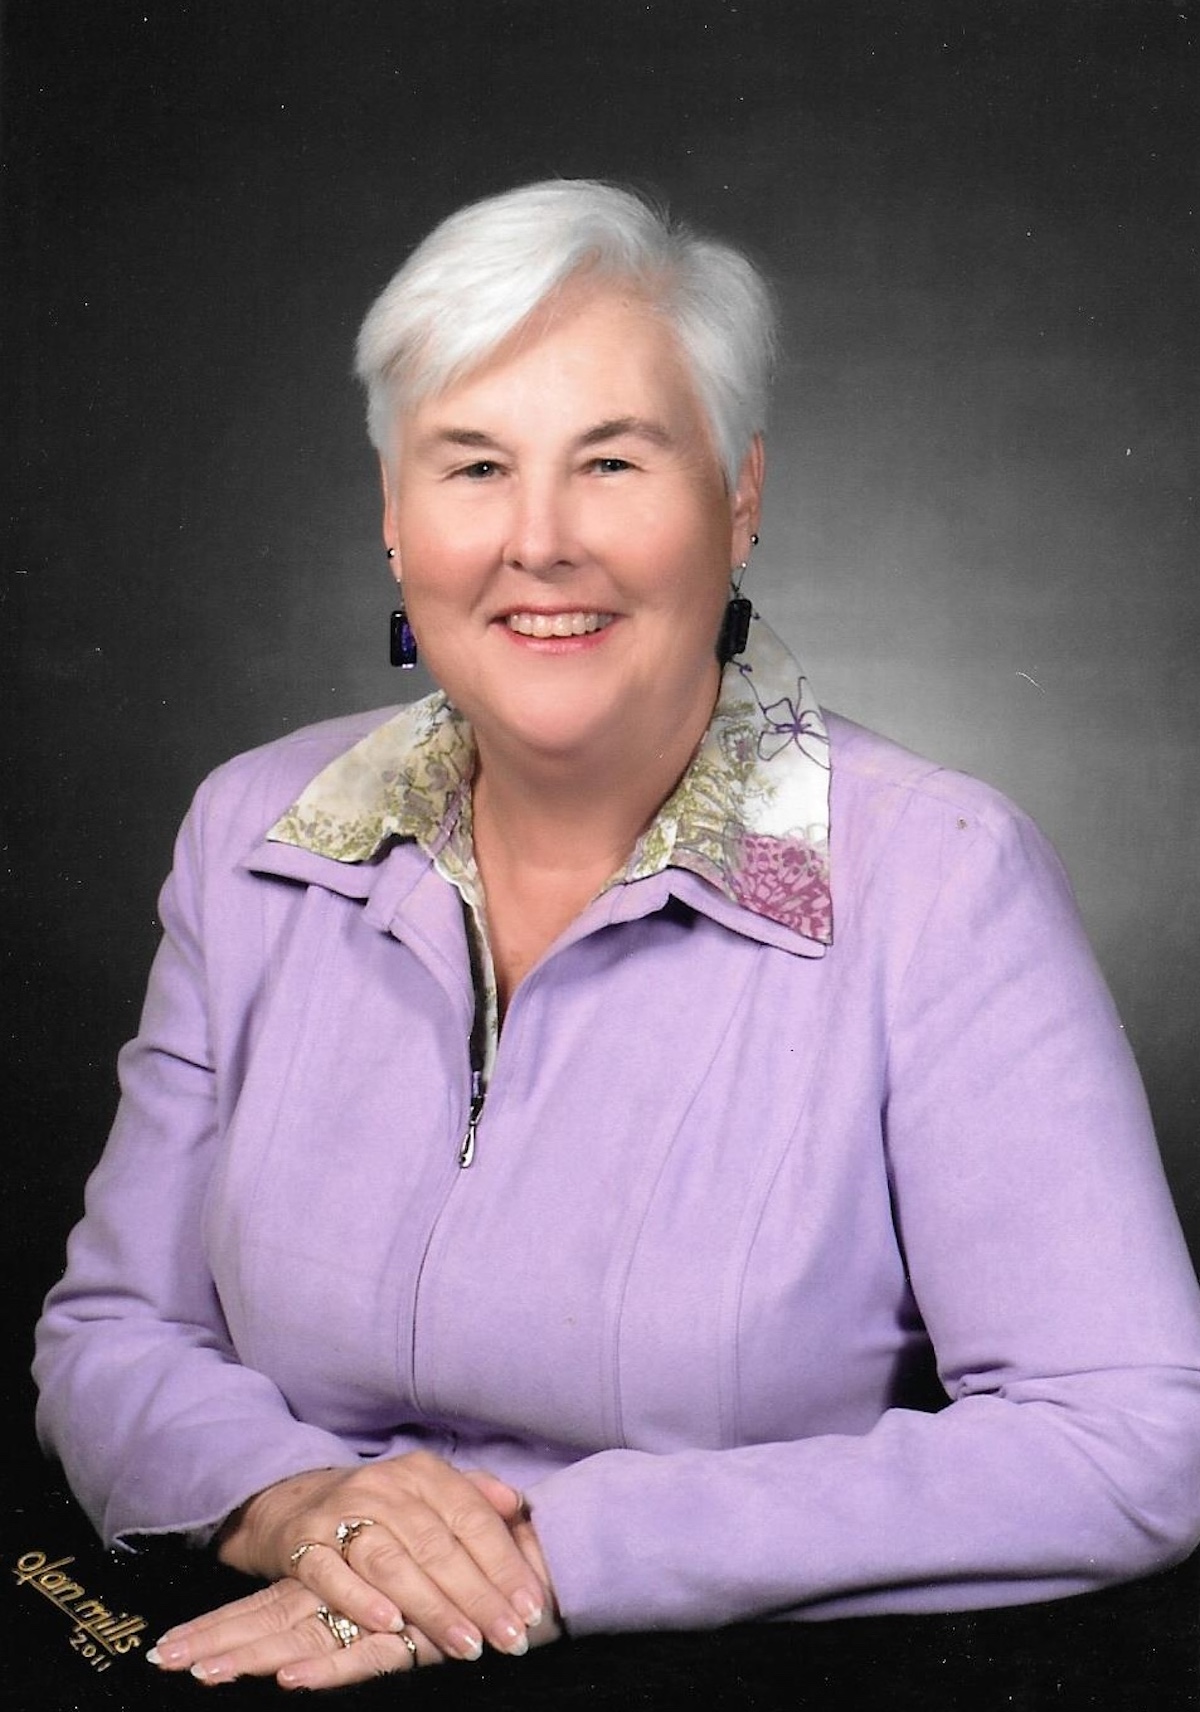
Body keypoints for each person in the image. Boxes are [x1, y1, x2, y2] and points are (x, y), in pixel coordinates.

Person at [32, 177, 1200, 1694]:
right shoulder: (255, 833)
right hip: (264, 1633)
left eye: (612, 461)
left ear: (739, 495)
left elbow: (1130, 1432)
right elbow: (114, 1331)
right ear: (392, 519)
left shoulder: (941, 878)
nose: (539, 541)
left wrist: (544, 1561)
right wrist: (297, 1503)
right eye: (473, 465)